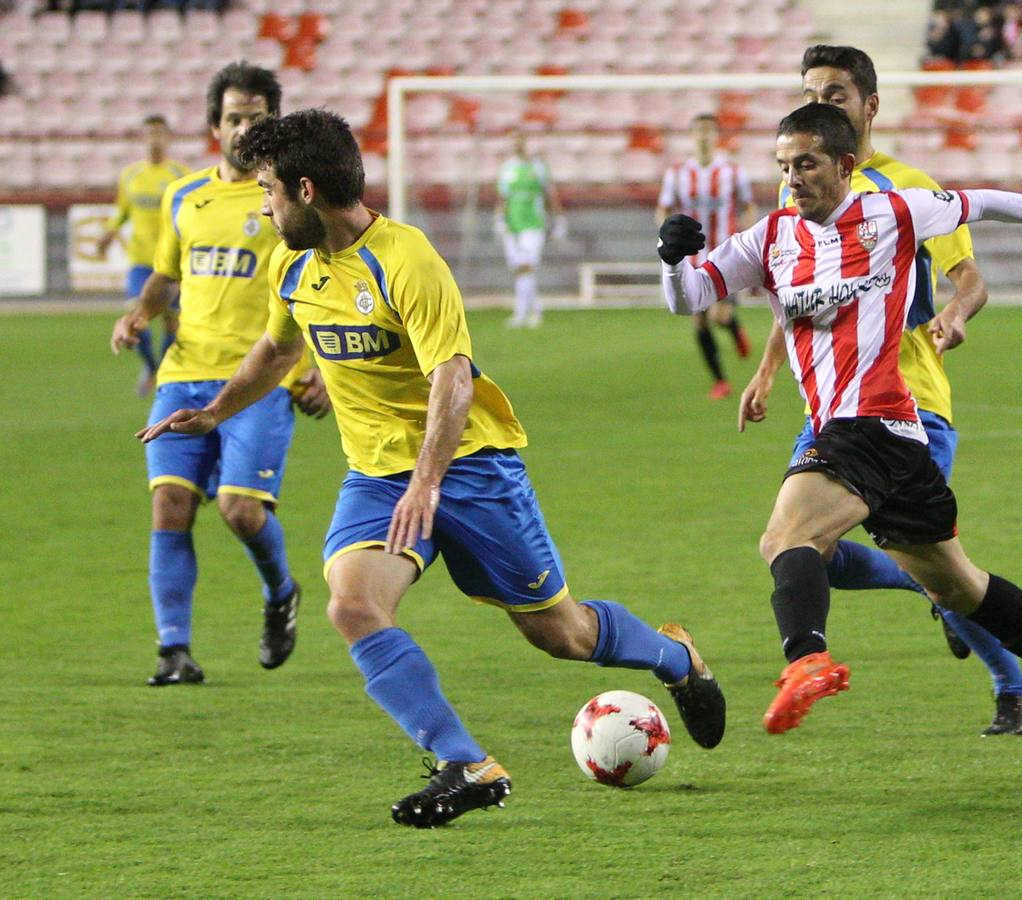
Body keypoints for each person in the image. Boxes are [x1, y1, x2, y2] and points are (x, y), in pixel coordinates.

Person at [139, 108, 726, 828]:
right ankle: (467, 763)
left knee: (561, 635)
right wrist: (216, 411)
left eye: (268, 189)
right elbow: (278, 350)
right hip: (377, 477)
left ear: (304, 189)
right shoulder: (290, 263)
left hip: (472, 468)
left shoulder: (406, 258)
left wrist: (428, 480)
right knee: (352, 604)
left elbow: (452, 374)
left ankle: (675, 658)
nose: (260, 204)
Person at [660, 103, 1022, 749]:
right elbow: (688, 296)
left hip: (872, 420)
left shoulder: (892, 213)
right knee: (958, 586)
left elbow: (981, 202)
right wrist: (672, 259)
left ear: (845, 165)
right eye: (783, 166)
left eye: (806, 164)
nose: (793, 178)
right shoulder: (770, 238)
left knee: (785, 537)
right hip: (892, 439)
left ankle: (806, 661)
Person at [744, 44, 1022, 736]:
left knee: (922, 567)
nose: (821, 105)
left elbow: (968, 278)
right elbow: (794, 293)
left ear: (868, 106)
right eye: (810, 93)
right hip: (832, 408)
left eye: (835, 94)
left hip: (908, 402)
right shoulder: (802, 183)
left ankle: (1013, 685)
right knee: (796, 549)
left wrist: (954, 314)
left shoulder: (908, 188)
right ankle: (937, 599)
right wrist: (765, 370)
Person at [110, 62, 328, 687]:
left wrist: (316, 368)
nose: (243, 128)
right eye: (233, 117)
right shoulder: (186, 197)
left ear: (274, 124)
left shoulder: (291, 199)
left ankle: (281, 591)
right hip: (183, 375)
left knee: (239, 511)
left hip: (257, 382)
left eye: (257, 118)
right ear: (214, 125)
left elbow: (320, 287)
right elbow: (166, 274)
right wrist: (139, 313)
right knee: (170, 506)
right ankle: (173, 651)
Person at [655, 113, 758, 399]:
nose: (703, 135)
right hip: (692, 257)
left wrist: (746, 234)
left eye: (708, 131)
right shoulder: (676, 173)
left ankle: (734, 327)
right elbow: (662, 210)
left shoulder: (732, 171)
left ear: (715, 136)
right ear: (692, 135)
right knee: (698, 319)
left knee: (718, 316)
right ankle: (720, 381)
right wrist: (667, 235)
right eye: (698, 130)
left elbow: (748, 206)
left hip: (724, 255)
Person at [98, 114, 189, 396]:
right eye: (150, 133)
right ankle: (152, 367)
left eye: (160, 133)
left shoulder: (180, 175)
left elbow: (191, 217)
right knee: (138, 320)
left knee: (172, 322)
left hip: (171, 263)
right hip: (139, 260)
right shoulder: (131, 175)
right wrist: (109, 233)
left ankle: (161, 370)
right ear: (143, 138)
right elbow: (123, 211)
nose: (155, 139)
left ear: (169, 138)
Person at [495, 133, 566, 328]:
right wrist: (500, 219)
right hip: (512, 225)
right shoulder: (508, 169)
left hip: (533, 224)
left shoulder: (538, 168)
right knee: (519, 269)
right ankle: (535, 311)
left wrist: (559, 218)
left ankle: (520, 313)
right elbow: (503, 197)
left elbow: (549, 194)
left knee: (526, 265)